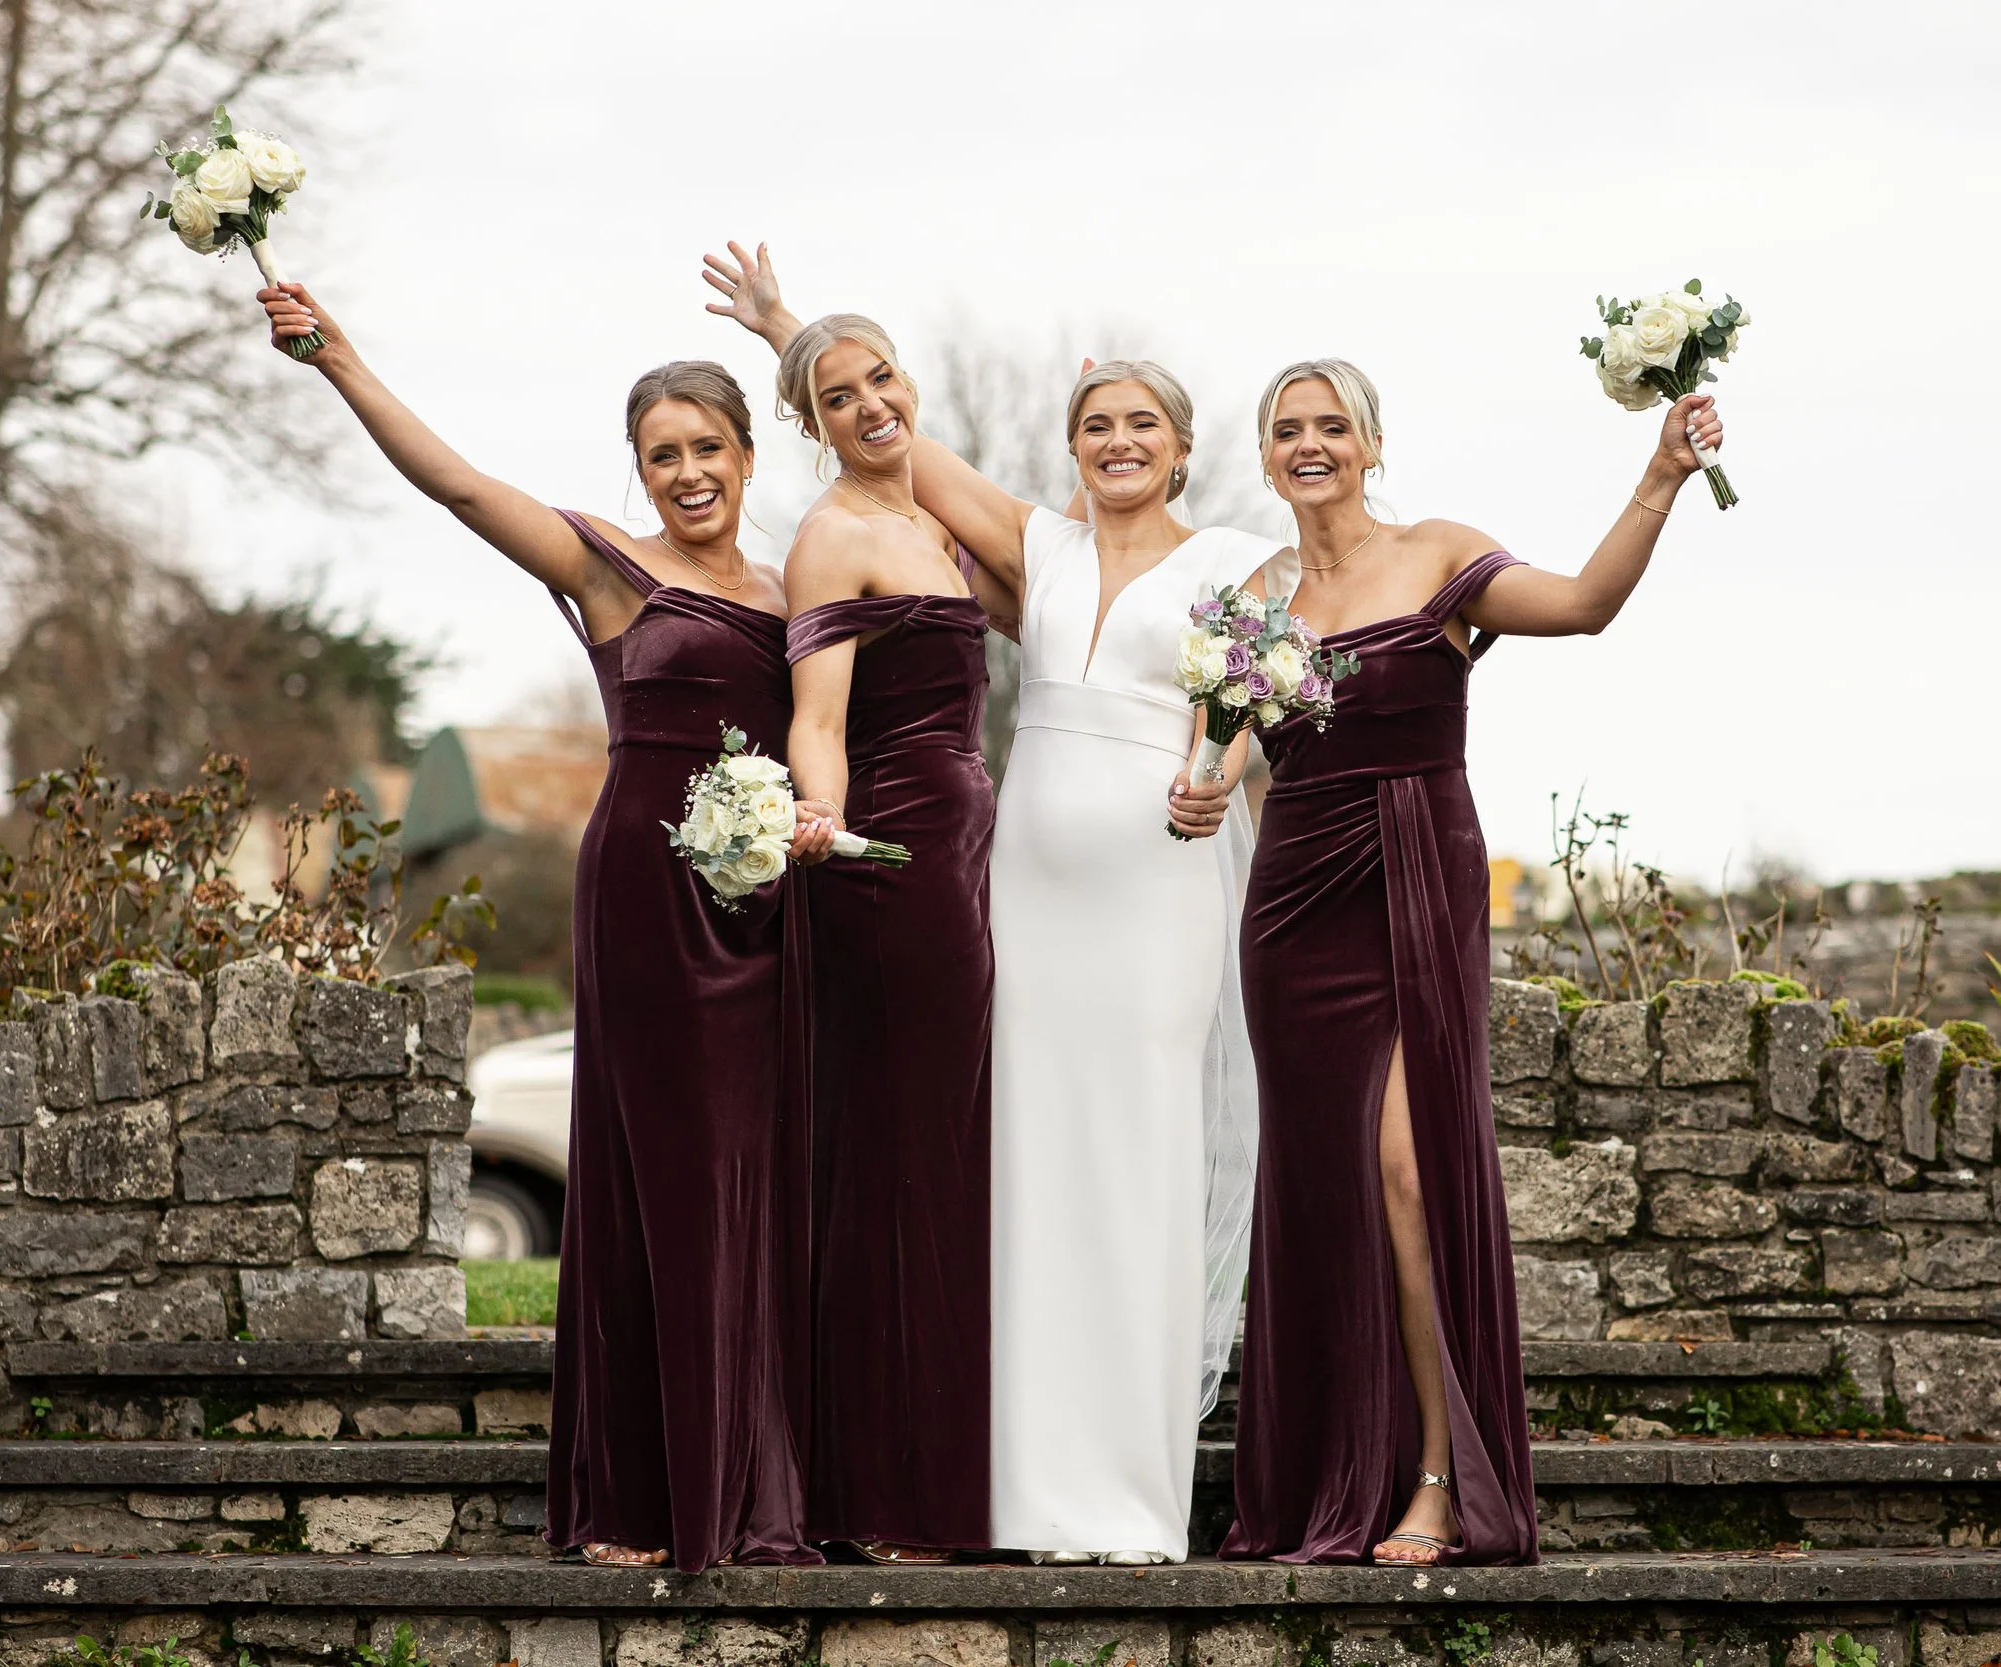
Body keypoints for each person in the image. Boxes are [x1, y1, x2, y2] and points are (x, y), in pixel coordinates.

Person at [702, 244, 1268, 1565]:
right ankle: (1012, 1479)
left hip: (1156, 893)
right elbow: (895, 436)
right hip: (1015, 891)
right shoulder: (1034, 545)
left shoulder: (1237, 560)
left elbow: (1248, 704)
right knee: (1021, 1164)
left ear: (1181, 448)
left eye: (1142, 424)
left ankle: (1127, 1490)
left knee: (1139, 1152)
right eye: (1097, 424)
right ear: (1070, 448)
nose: (1118, 440)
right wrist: (798, 330)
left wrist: (1219, 769)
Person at [256, 281, 815, 1572]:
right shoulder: (612, 571)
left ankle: (764, 1473)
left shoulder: (798, 588)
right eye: (661, 453)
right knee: (662, 1176)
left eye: (707, 448)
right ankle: (648, 1494)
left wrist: (794, 339)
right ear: (638, 470)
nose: (687, 472)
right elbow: (455, 483)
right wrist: (341, 356)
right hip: (649, 895)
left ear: (746, 453)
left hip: (776, 910)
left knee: (765, 1176)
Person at [1220, 358, 1722, 1567]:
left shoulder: (1442, 554)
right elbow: (1225, 744)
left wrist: (1657, 474)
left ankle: (1439, 1475)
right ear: (1265, 453)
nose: (1309, 444)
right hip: (1292, 906)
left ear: (1373, 443)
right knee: (1321, 1187)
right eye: (1287, 429)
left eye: (1331, 425)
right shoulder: (1254, 592)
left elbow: (1586, 603)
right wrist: (1199, 789)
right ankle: (1328, 1472)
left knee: (1407, 1173)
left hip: (1410, 872)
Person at [771, 312, 998, 1563]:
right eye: (837, 396)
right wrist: (828, 823)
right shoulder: (836, 535)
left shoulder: (935, 523)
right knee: (904, 1161)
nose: (868, 404)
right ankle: (886, 1495)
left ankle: (940, 1470)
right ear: (810, 427)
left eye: (882, 378)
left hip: (964, 863)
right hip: (892, 868)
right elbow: (819, 716)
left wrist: (788, 316)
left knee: (947, 1154)